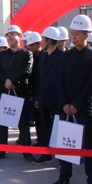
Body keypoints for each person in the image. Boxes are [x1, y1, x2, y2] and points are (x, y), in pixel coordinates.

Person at [53, 14, 92, 184]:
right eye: (72, 33)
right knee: (65, 144)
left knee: (89, 146)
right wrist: (65, 103)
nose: (73, 37)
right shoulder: (66, 56)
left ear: (86, 35)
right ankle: (64, 176)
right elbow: (60, 80)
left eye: (77, 33)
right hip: (67, 108)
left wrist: (77, 104)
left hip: (85, 109)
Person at [0, 25, 34, 161]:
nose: (10, 37)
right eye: (8, 35)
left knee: (23, 124)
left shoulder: (27, 54)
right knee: (2, 123)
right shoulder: (3, 54)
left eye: (12, 34)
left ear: (20, 37)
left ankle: (27, 151)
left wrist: (13, 81)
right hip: (5, 92)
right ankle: (1, 150)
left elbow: (27, 71)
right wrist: (6, 80)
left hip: (20, 92)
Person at [33, 27, 63, 164]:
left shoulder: (62, 56)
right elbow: (39, 78)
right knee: (45, 128)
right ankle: (46, 154)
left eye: (43, 40)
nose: (41, 42)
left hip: (57, 100)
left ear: (49, 41)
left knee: (58, 129)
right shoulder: (42, 57)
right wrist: (38, 97)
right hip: (43, 99)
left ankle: (62, 157)